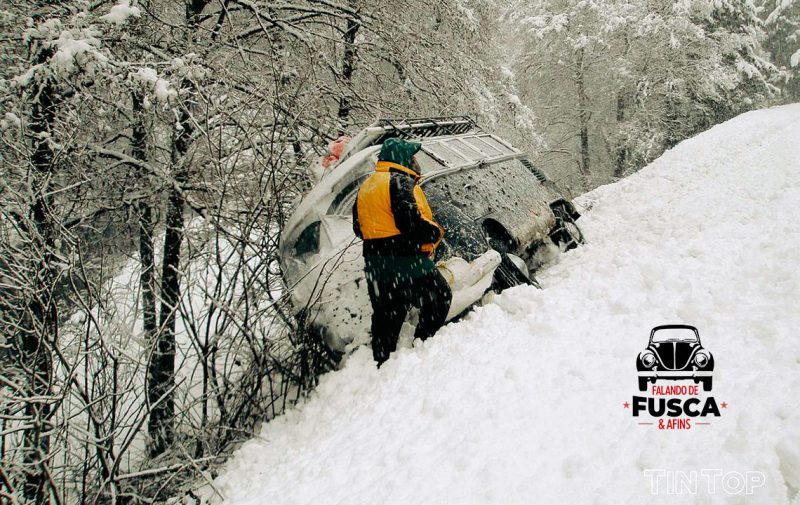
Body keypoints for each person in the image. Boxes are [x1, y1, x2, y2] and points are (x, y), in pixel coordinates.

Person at [352, 137, 452, 366]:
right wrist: (435, 232)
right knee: (440, 297)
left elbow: (359, 228)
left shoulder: (366, 186)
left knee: (387, 315)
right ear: (401, 159)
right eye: (412, 157)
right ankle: (422, 346)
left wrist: (381, 239)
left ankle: (381, 365)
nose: (415, 161)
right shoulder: (398, 181)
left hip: (375, 264)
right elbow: (410, 223)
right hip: (406, 260)